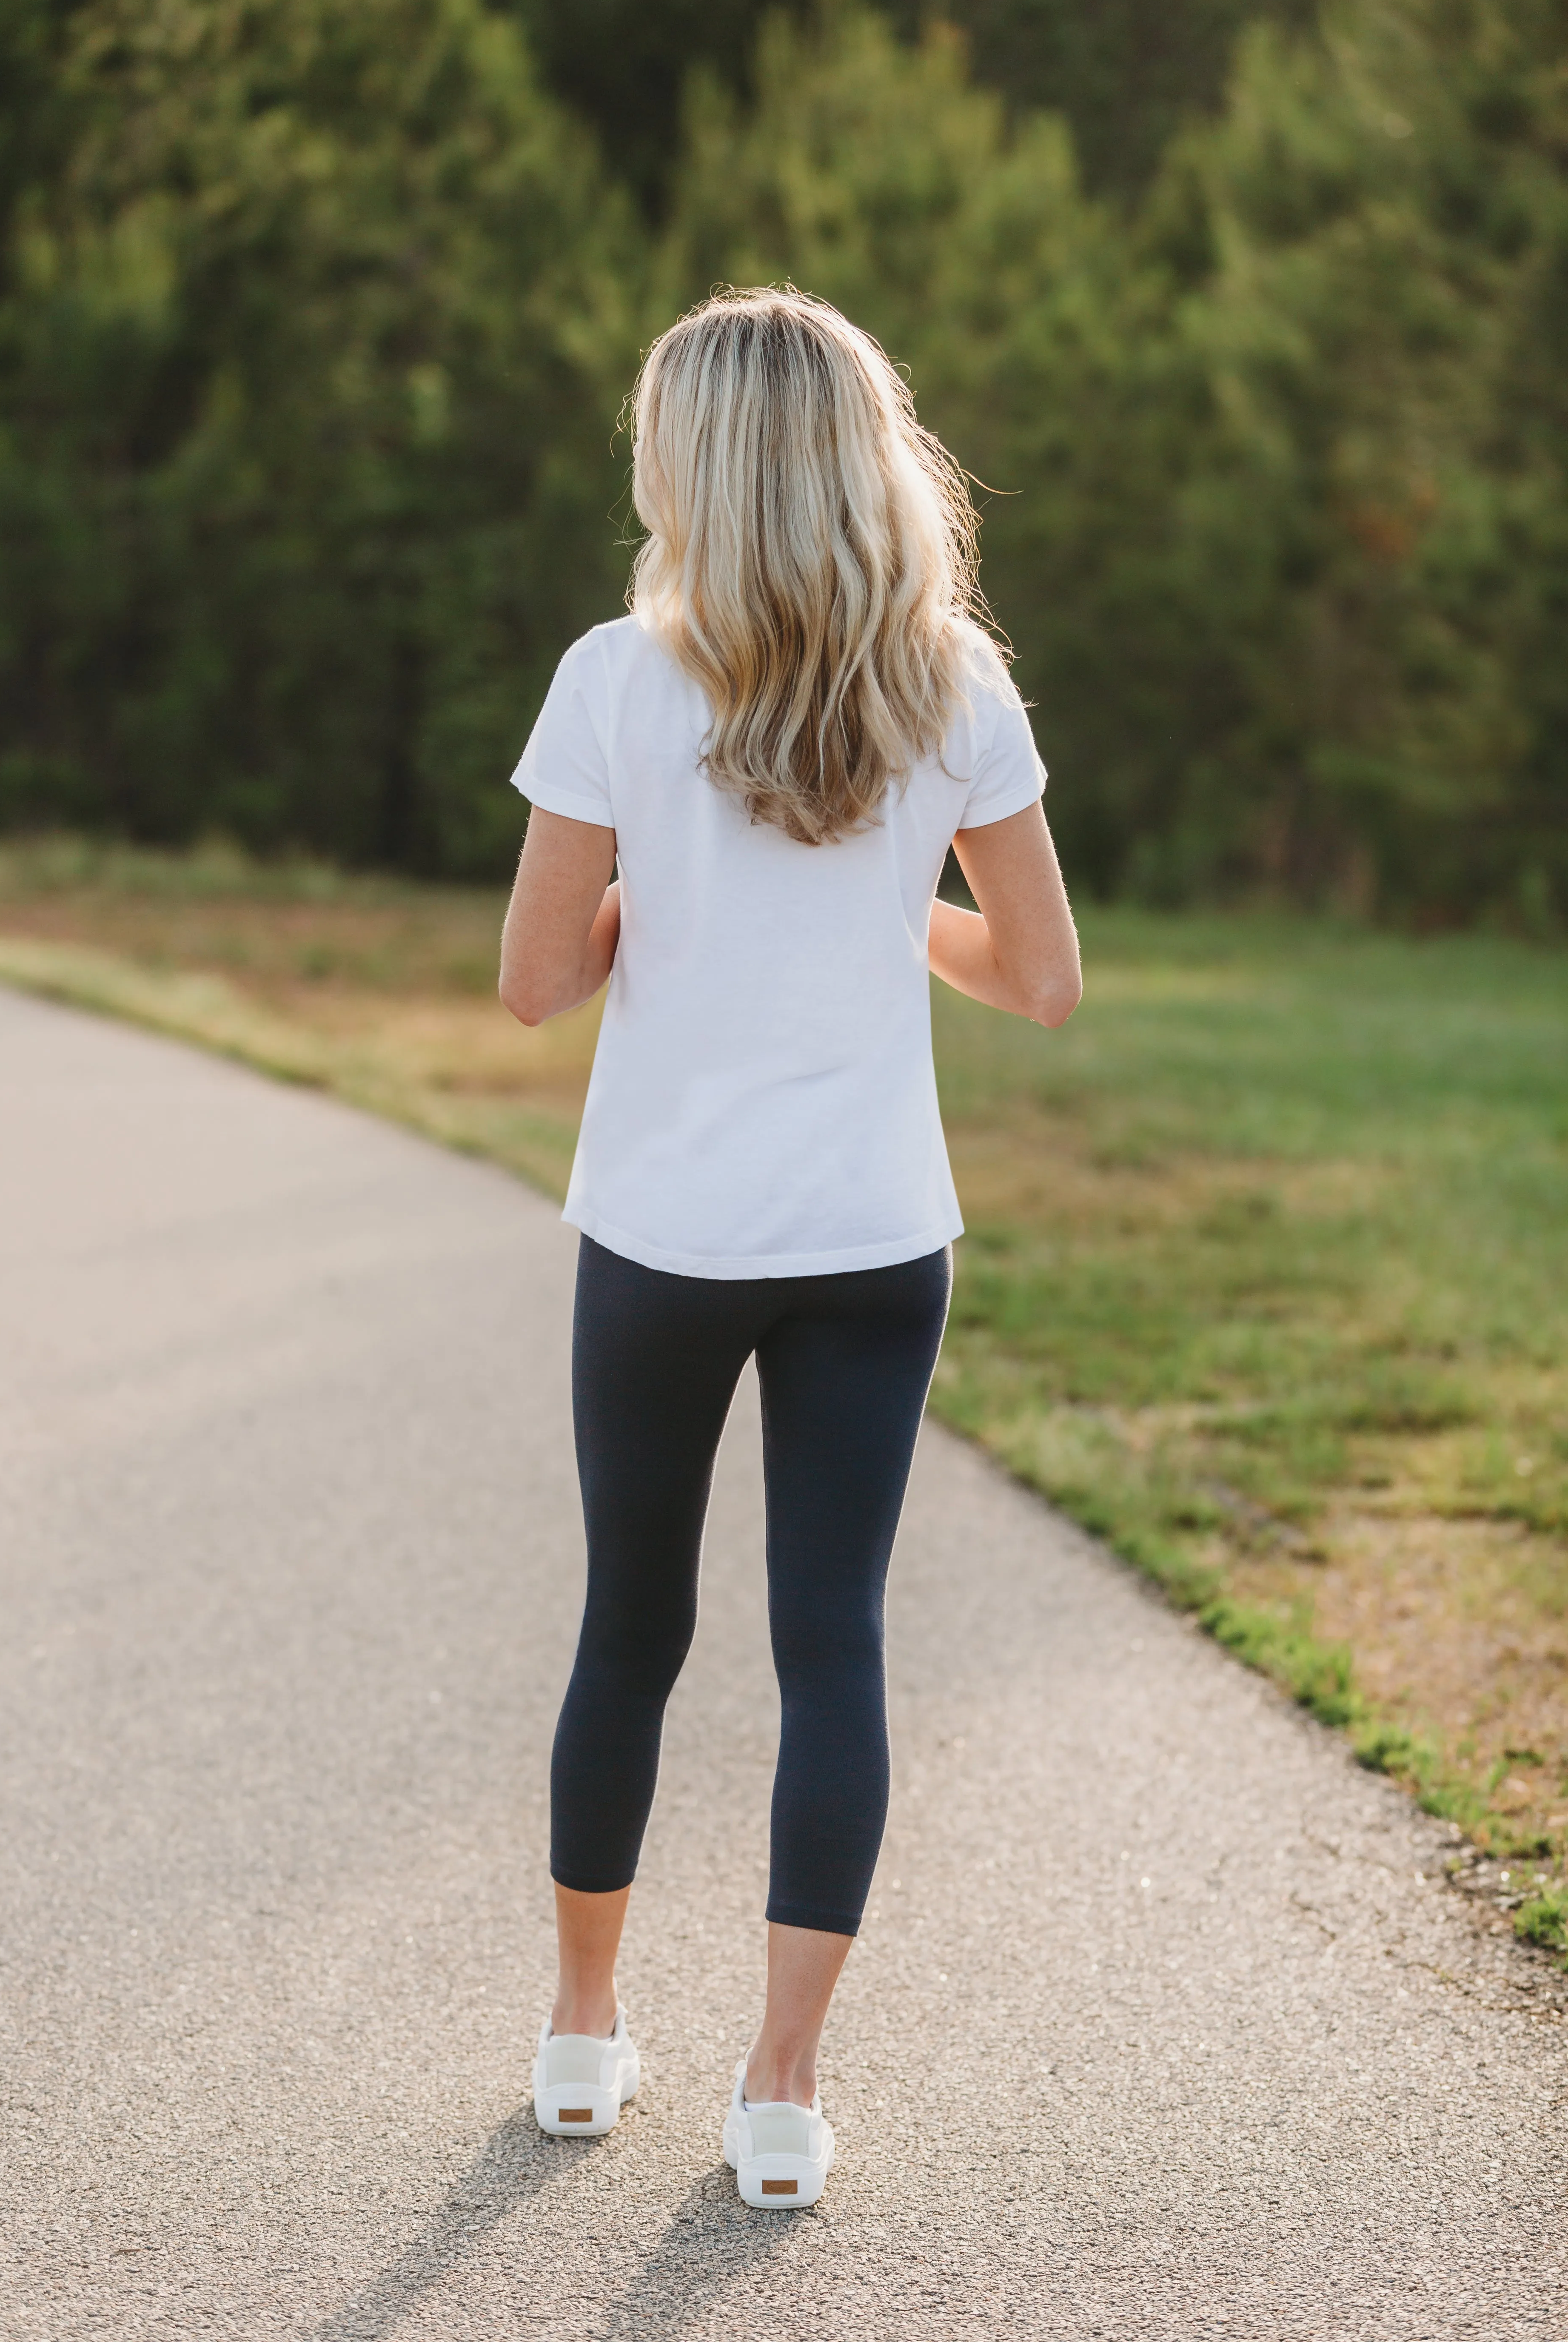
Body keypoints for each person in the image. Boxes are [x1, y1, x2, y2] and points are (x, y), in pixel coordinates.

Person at [499, 287, 1080, 2209]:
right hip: (872, 1237)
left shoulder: (615, 677)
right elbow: (1047, 981)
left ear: (692, 466)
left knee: (632, 1627)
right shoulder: (957, 688)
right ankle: (779, 2091)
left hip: (665, 1236)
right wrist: (881, 920)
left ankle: (583, 2045)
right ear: (863, 456)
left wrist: (645, 918)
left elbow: (526, 988)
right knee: (833, 1641)